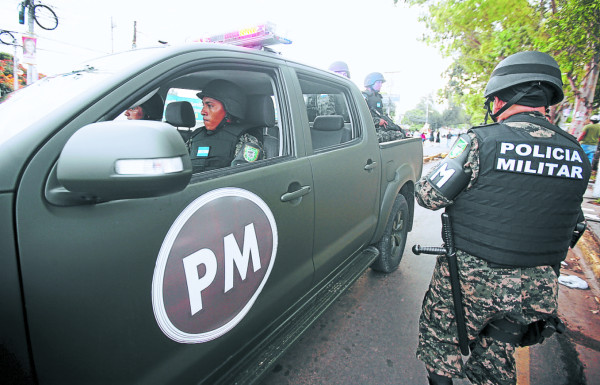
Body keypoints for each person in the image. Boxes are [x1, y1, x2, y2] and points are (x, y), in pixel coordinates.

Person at [415, 51, 590, 385]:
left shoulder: (480, 141)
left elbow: (428, 196)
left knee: (440, 346)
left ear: (498, 99)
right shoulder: (576, 153)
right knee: (498, 360)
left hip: (470, 282)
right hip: (537, 290)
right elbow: (575, 223)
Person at [187, 79, 264, 173]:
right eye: (203, 105)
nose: (202, 112)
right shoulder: (194, 138)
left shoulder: (245, 140)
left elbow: (243, 178)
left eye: (210, 106)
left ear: (229, 109)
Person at [362, 72, 405, 142]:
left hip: (379, 127)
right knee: (398, 136)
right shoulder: (364, 96)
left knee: (400, 132)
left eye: (381, 83)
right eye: (378, 82)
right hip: (369, 129)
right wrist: (377, 121)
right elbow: (361, 117)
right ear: (371, 83)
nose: (380, 85)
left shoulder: (378, 97)